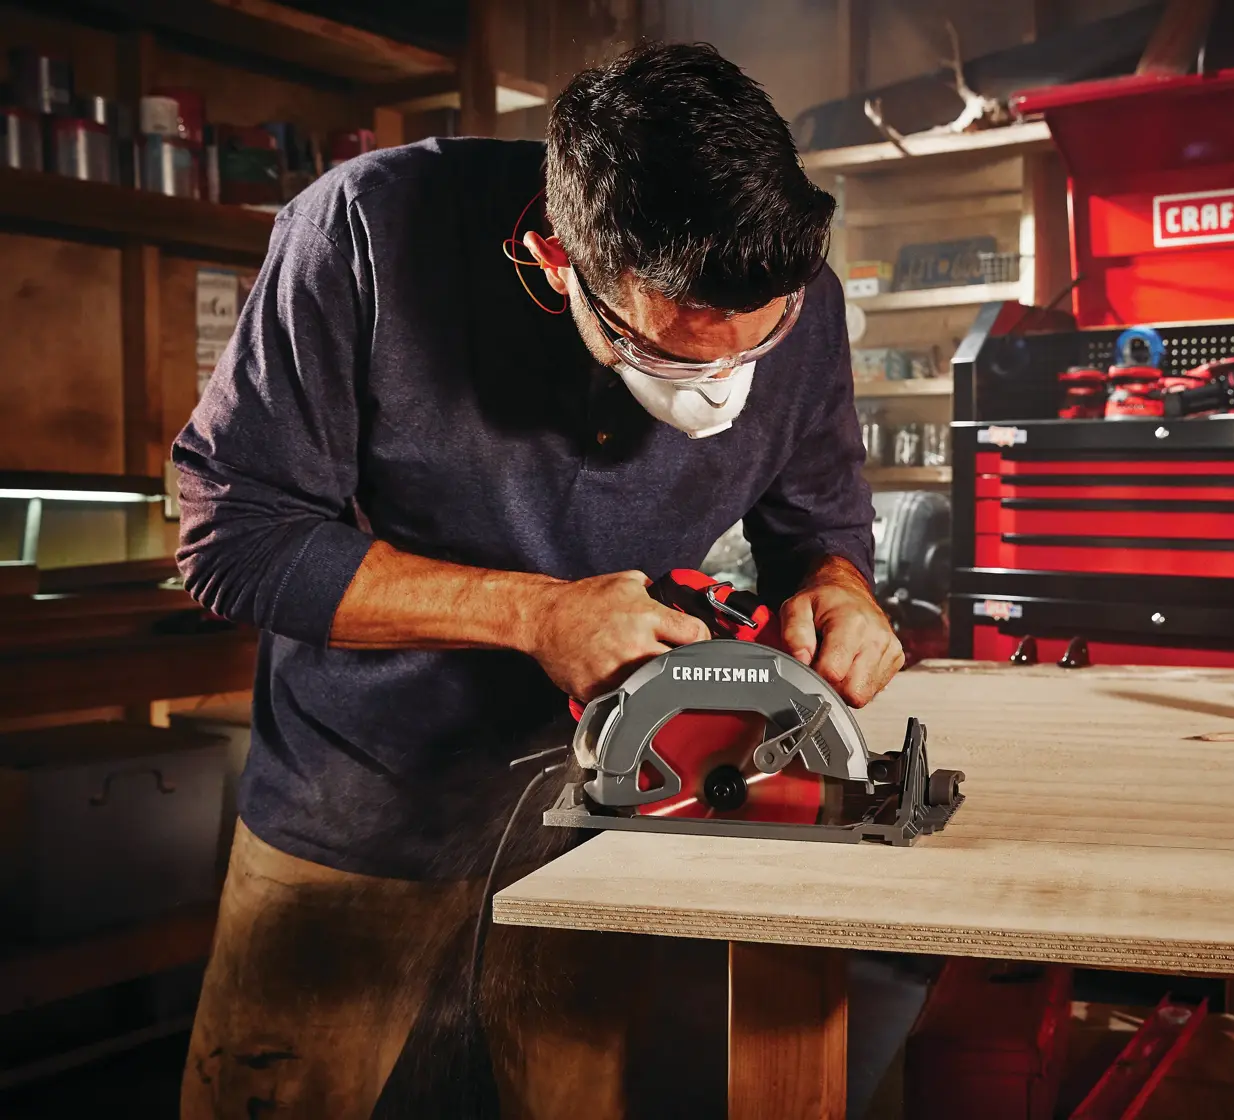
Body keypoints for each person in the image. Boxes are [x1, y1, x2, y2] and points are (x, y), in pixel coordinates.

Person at [173, 42, 900, 1119]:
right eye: (676, 354)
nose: (723, 386)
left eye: (757, 346)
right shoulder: (361, 234)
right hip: (364, 806)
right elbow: (233, 535)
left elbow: (819, 527)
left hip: (608, 821)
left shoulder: (796, 290)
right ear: (558, 262)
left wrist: (841, 587)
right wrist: (535, 612)